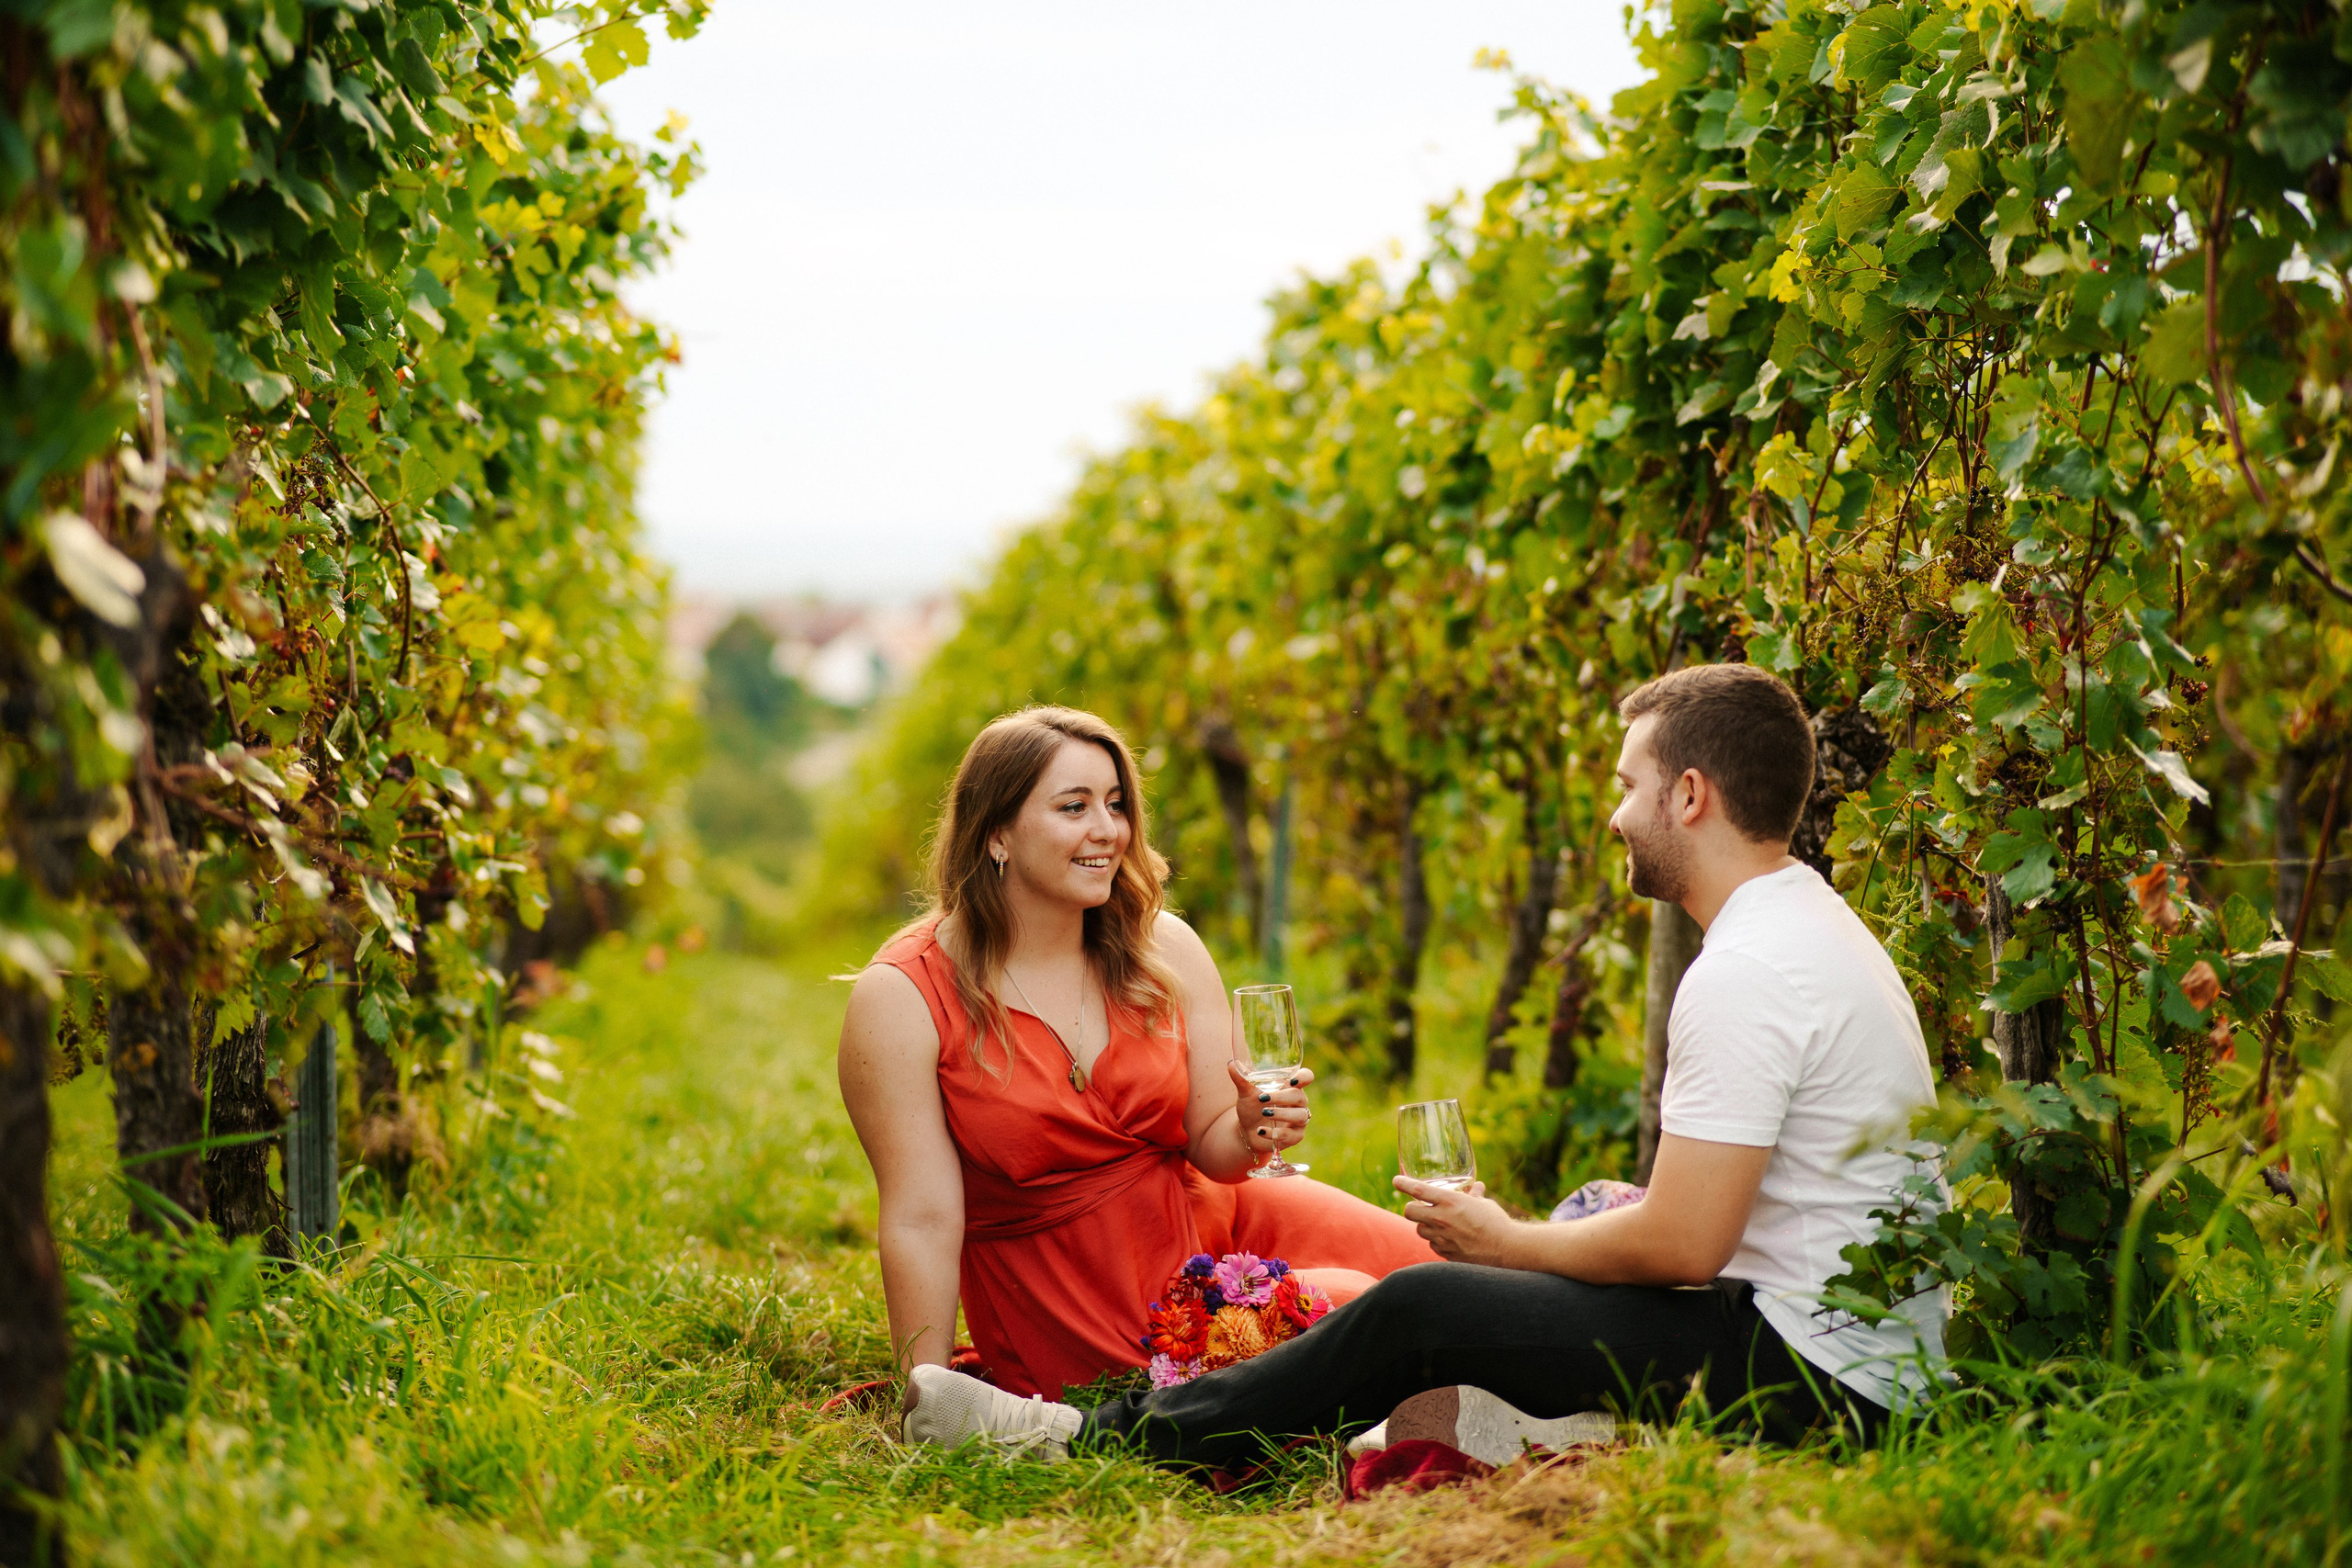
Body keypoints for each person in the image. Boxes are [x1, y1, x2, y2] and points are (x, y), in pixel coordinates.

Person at [897, 664, 1946, 1463]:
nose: (1612, 811)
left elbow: (1681, 1243)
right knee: (1498, 1278)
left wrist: (1510, 1244)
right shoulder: (1809, 925)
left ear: (1686, 796)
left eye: (1626, 786)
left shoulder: (1746, 971)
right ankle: (1530, 1413)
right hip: (1840, 1349)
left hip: (1819, 1381)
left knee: (1422, 1308)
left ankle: (1093, 1438)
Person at [836, 705, 1438, 1401]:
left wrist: (1250, 1129)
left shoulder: (1162, 946)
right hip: (1078, 1294)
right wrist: (928, 1391)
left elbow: (1214, 1144)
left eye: (1117, 803)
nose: (1108, 829)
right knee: (1372, 1308)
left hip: (1214, 1212)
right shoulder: (903, 998)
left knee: (1449, 1267)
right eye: (1074, 806)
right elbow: (921, 1218)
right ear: (996, 833)